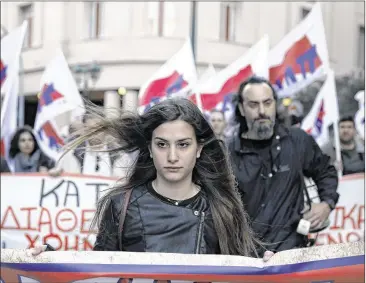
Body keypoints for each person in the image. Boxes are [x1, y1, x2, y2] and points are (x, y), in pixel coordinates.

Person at [29, 98, 273, 261]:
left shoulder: (222, 208)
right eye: (162, 144)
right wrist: (51, 260)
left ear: (199, 148)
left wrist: (269, 264)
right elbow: (100, 271)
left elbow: (243, 267)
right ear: (150, 147)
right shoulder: (120, 205)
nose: (173, 156)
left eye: (183, 145)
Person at [227, 76, 339, 255]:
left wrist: (326, 204)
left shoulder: (297, 140)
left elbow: (326, 171)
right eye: (253, 105)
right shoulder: (227, 152)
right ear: (241, 108)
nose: (262, 111)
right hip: (246, 259)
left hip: (292, 256)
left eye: (267, 102)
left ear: (275, 104)